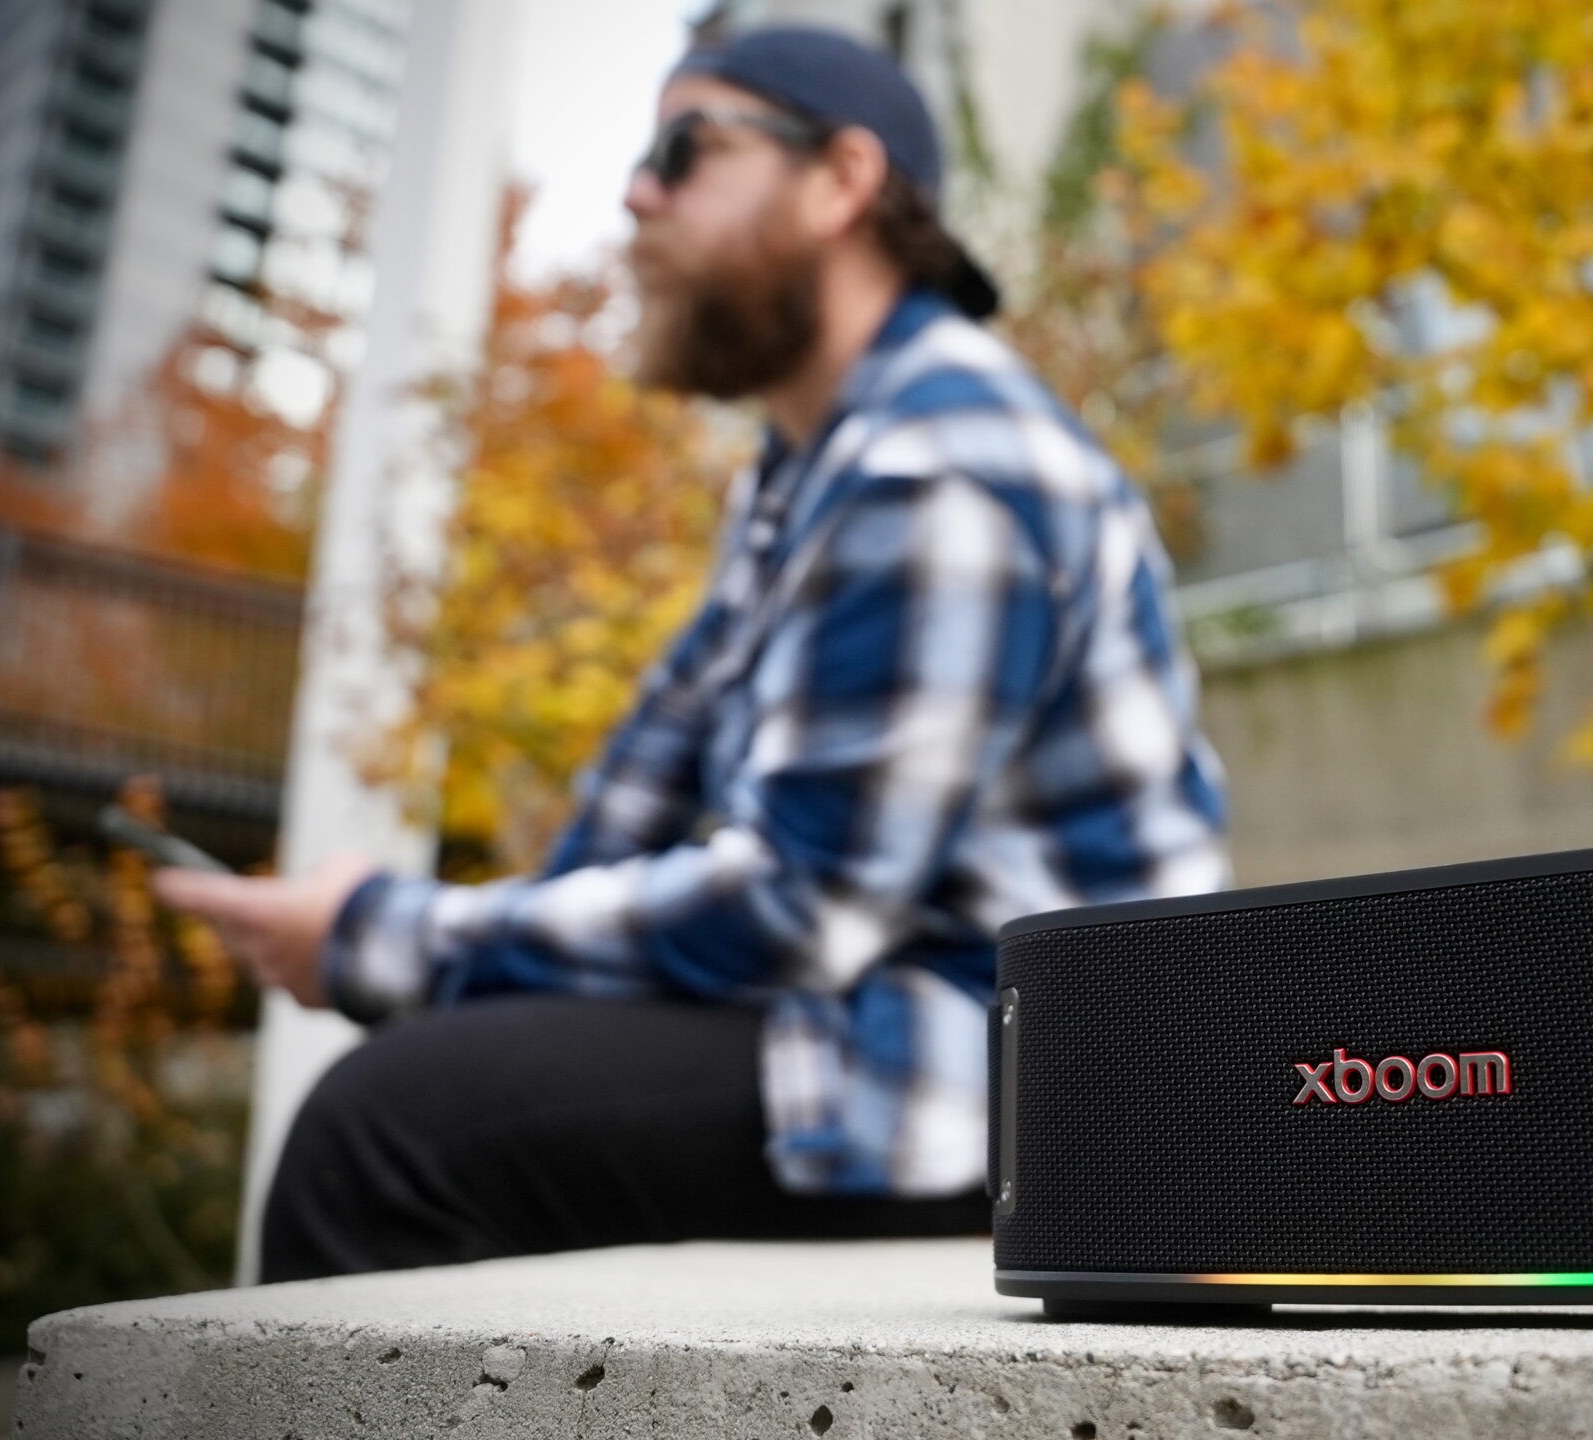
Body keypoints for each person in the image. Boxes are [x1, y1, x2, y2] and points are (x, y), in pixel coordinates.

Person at [153, 25, 1229, 1282]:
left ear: (842, 182)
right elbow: (638, 803)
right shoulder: (809, 469)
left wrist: (383, 935)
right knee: (440, 1082)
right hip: (893, 1029)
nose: (634, 191)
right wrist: (436, 960)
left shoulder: (937, 464)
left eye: (685, 149)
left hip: (1036, 1101)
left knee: (383, 1131)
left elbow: (795, 908)